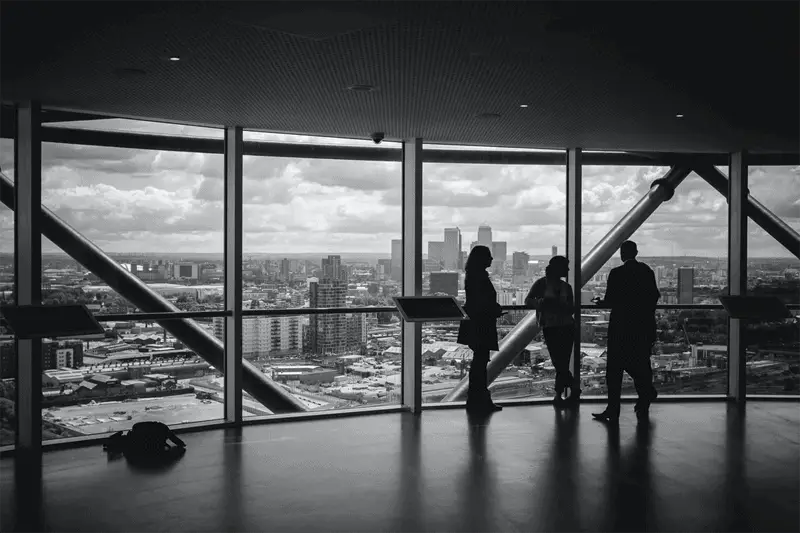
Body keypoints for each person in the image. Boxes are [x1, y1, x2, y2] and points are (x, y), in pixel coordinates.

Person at [592, 240, 660, 422]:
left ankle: (613, 409)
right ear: (636, 252)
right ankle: (645, 398)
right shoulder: (646, 272)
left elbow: (611, 301)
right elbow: (654, 297)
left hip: (621, 327)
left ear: (622, 254)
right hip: (642, 327)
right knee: (641, 364)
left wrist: (601, 303)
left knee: (614, 370)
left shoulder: (617, 273)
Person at [525, 256, 579, 407]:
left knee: (560, 363)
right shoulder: (549, 285)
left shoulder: (546, 285)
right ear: (558, 268)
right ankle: (572, 389)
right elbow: (528, 301)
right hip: (559, 326)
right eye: (566, 267)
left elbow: (529, 301)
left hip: (557, 327)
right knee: (560, 363)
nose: (568, 270)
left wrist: (544, 304)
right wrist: (544, 303)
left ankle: (559, 395)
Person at [457, 245, 504, 413]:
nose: (491, 259)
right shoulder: (479, 277)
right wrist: (494, 309)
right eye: (489, 256)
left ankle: (476, 399)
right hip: (481, 323)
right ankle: (480, 399)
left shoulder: (472, 276)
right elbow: (482, 302)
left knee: (479, 362)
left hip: (475, 322)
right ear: (482, 259)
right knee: (480, 362)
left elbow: (476, 301)